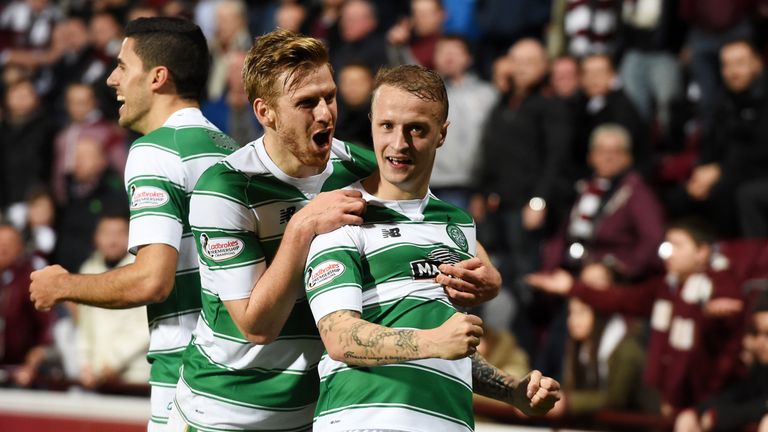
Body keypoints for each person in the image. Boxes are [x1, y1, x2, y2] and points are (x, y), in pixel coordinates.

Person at [170, 30, 501, 431]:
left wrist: (486, 271)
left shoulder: (356, 166)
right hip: (225, 410)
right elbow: (257, 326)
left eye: (329, 97)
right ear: (265, 112)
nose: (325, 114)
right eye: (306, 103)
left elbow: (429, 216)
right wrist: (302, 226)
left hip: (312, 410)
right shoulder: (226, 187)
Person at [305, 64, 560, 431]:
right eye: (387, 125)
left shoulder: (458, 223)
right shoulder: (343, 213)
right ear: (372, 123)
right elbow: (340, 337)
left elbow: (451, 347)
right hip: (365, 419)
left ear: (442, 134)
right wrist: (435, 341)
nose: (399, 143)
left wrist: (513, 391)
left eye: (416, 129)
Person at [29, 17, 239, 430]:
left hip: (189, 378)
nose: (112, 79)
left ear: (158, 77)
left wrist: (63, 286)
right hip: (236, 377)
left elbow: (151, 281)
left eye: (123, 66)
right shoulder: (229, 148)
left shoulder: (155, 150)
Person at [528, 219, 746, 415]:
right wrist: (573, 287)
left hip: (706, 405)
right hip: (666, 403)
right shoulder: (665, 287)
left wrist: (702, 409)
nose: (669, 253)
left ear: (702, 252)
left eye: (678, 245)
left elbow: (726, 358)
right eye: (667, 245)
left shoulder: (721, 286)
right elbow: (622, 299)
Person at [76, 213, 150, 389]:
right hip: (95, 375)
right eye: (107, 233)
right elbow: (84, 325)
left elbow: (146, 327)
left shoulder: (143, 270)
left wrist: (113, 362)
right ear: (96, 237)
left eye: (119, 233)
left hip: (136, 376)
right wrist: (85, 364)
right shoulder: (88, 269)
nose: (112, 240)